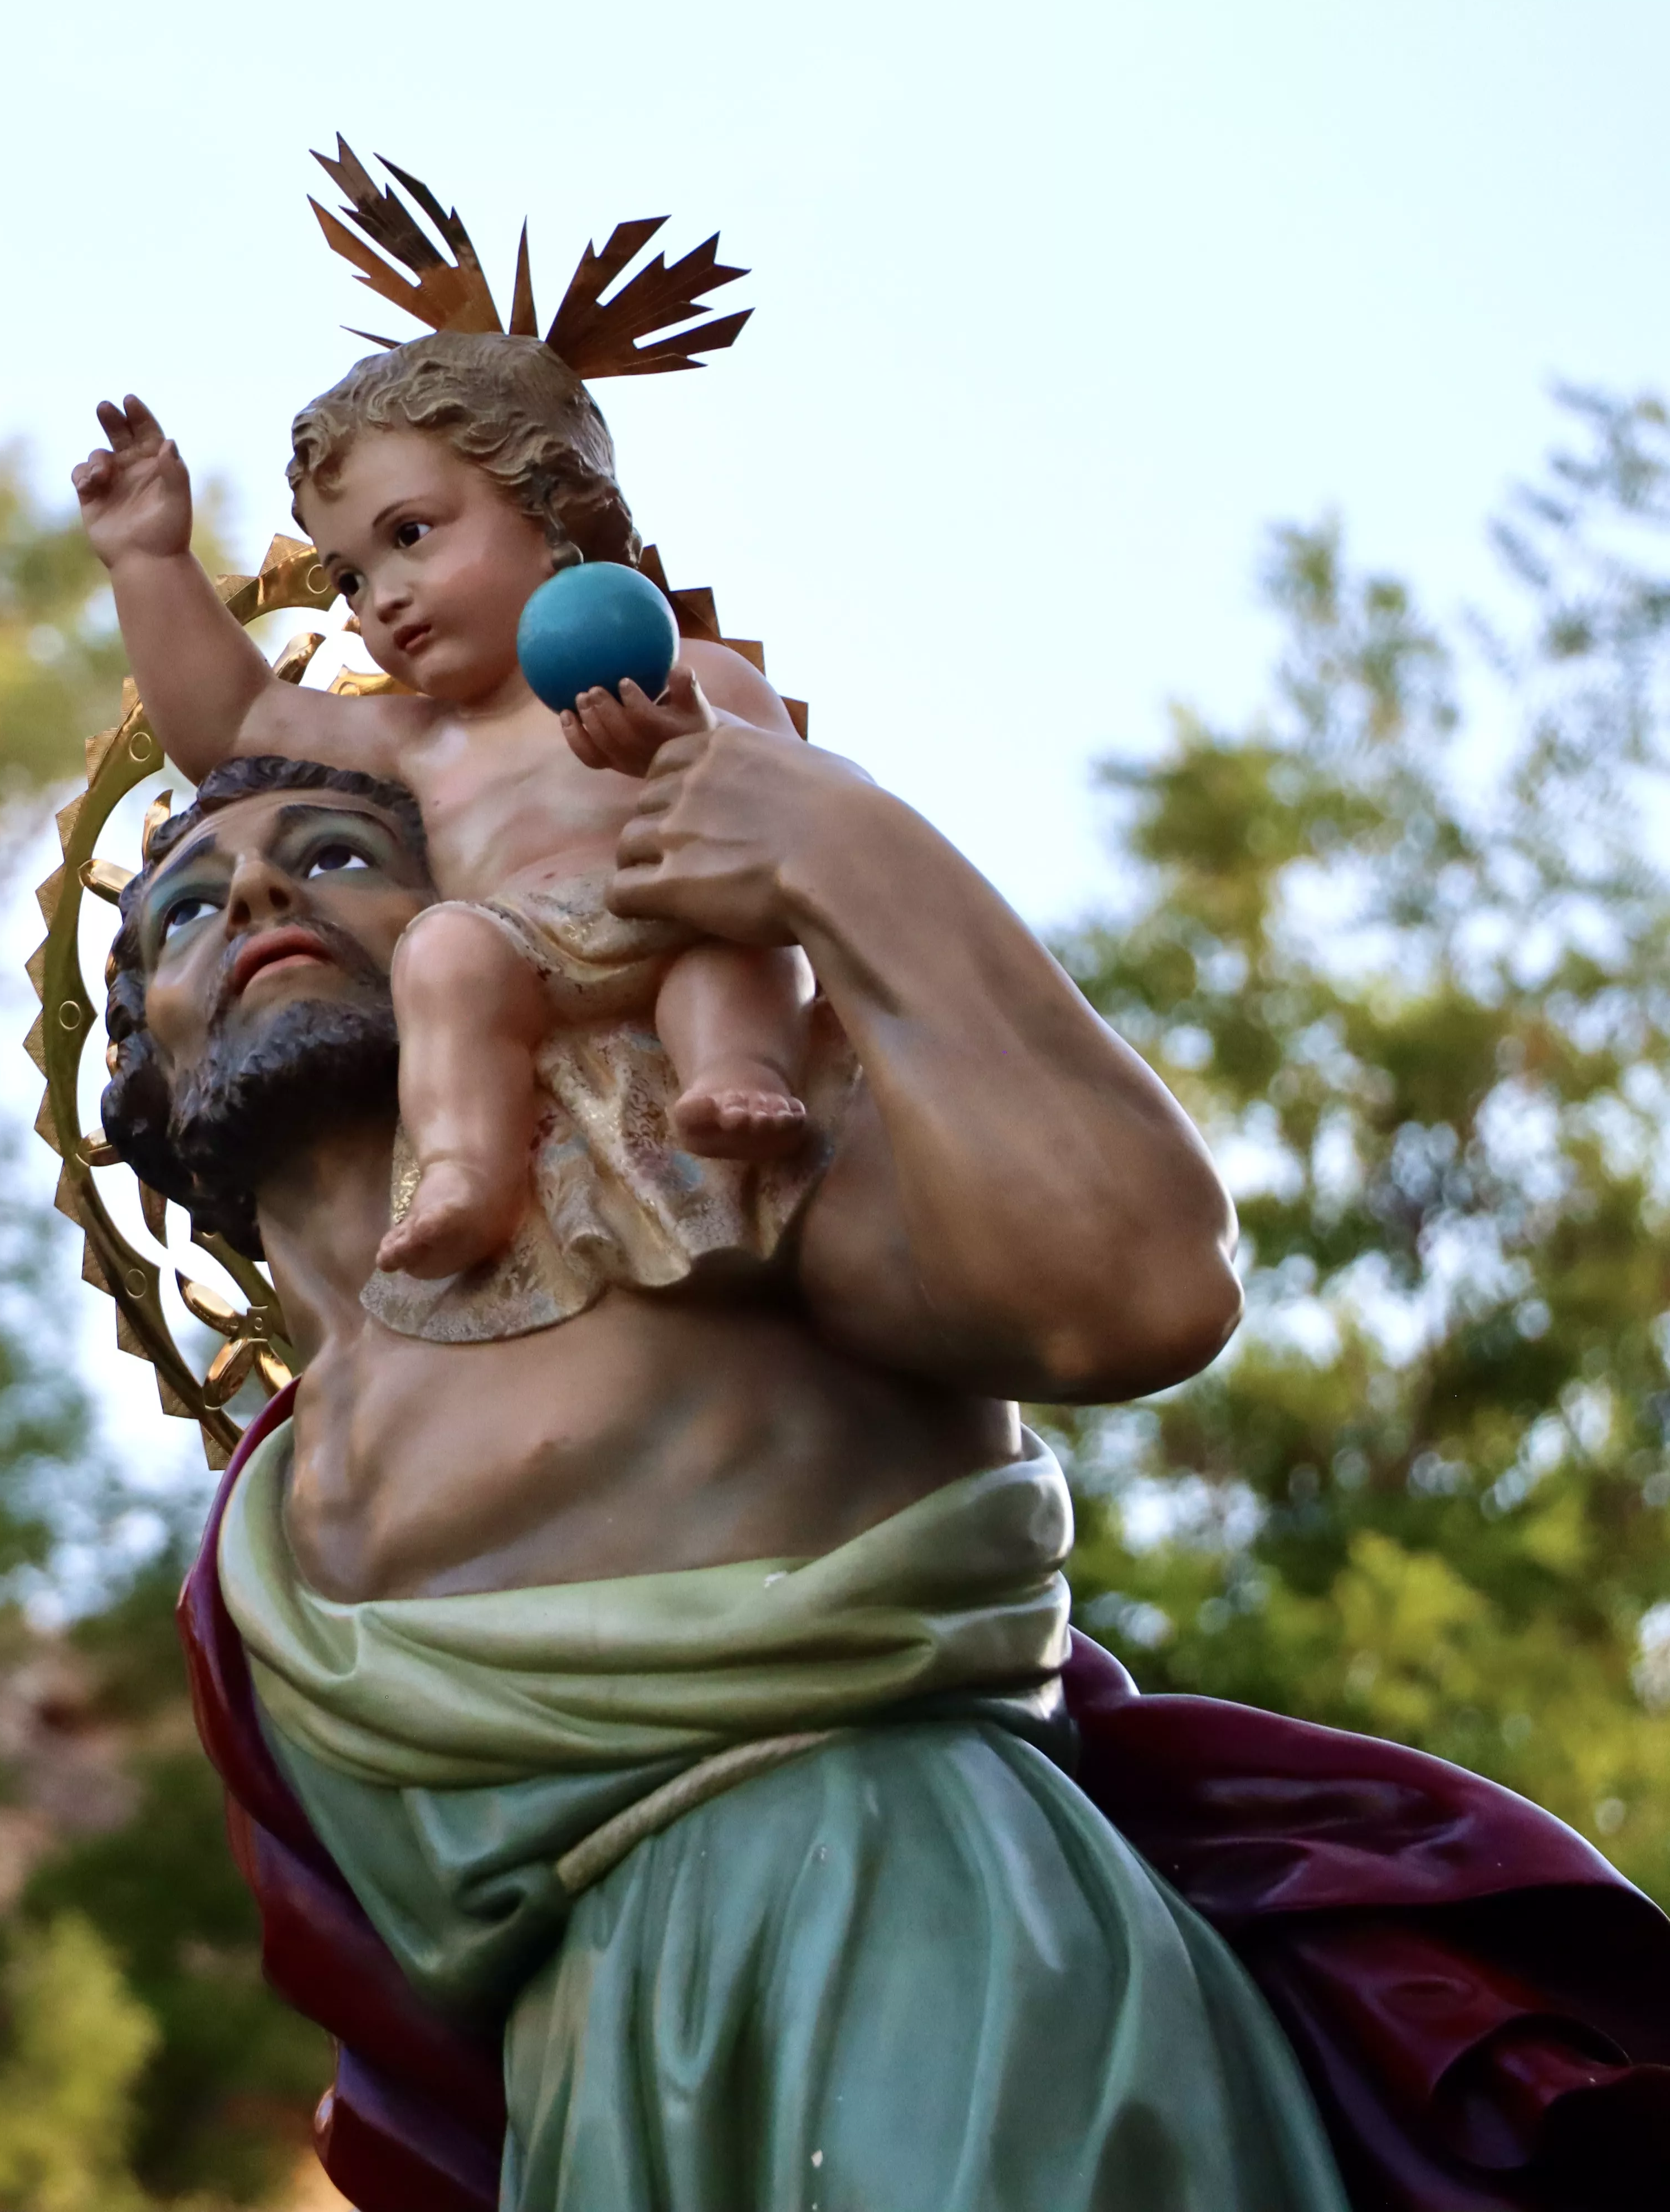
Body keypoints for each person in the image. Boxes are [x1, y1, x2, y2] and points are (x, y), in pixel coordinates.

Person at [99, 738, 1670, 2210]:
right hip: (596, 2099)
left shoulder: (694, 1181)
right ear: (148, 1097)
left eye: (340, 855)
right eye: (182, 908)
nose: (256, 897)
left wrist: (847, 851)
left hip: (938, 1941)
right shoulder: (262, 1537)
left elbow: (1140, 1283)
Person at [74, 348, 814, 1307]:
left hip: (672, 914)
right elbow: (237, 724)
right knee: (443, 955)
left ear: (548, 511)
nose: (381, 597)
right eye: (349, 578)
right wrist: (148, 559)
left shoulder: (693, 677)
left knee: (728, 954)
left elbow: (807, 816)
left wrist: (686, 751)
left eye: (411, 534)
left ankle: (736, 1080)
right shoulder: (423, 741)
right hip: (524, 958)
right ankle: (464, 1171)